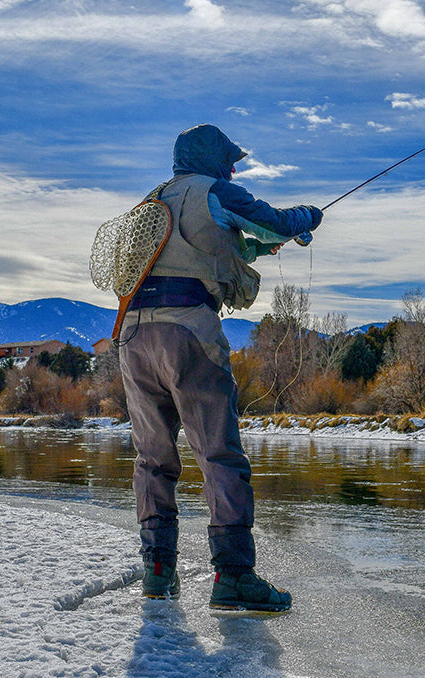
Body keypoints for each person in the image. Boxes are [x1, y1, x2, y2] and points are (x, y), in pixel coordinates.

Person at [118, 124, 322, 612]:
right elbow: (274, 221)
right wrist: (308, 216)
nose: (233, 168)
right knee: (219, 455)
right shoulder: (215, 190)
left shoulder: (150, 203)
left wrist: (254, 249)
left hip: (132, 334)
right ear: (212, 160)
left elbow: (195, 249)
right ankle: (232, 577)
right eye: (229, 160)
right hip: (188, 331)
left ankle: (158, 572)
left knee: (152, 457)